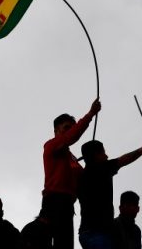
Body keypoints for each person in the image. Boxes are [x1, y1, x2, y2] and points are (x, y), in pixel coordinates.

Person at [77, 139, 142, 249]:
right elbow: (124, 159)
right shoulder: (101, 169)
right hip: (96, 234)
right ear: (95, 155)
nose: (106, 156)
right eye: (103, 153)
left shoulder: (83, 176)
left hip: (89, 233)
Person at [41, 98, 101, 249]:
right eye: (66, 127)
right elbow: (71, 136)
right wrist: (90, 114)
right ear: (56, 131)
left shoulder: (72, 159)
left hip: (67, 206)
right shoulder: (50, 145)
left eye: (72, 128)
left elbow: (85, 178)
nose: (71, 131)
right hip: (53, 202)